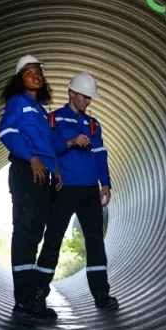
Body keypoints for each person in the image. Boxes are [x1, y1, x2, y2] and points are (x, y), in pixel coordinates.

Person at [36, 73, 119, 310]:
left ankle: (102, 295)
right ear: (71, 93)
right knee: (53, 239)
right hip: (65, 188)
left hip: (90, 190)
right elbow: (46, 150)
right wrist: (71, 143)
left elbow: (100, 154)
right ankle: (38, 294)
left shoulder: (93, 124)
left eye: (90, 98)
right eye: (84, 97)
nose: (87, 102)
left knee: (95, 241)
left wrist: (105, 183)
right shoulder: (54, 119)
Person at [0, 54, 67, 323]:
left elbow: (47, 145)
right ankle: (26, 302)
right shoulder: (18, 102)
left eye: (39, 71)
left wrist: (56, 168)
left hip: (42, 174)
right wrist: (32, 159)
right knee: (26, 234)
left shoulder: (40, 110)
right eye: (29, 71)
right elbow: (6, 132)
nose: (36, 75)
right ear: (19, 78)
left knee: (35, 233)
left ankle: (26, 301)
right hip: (26, 171)